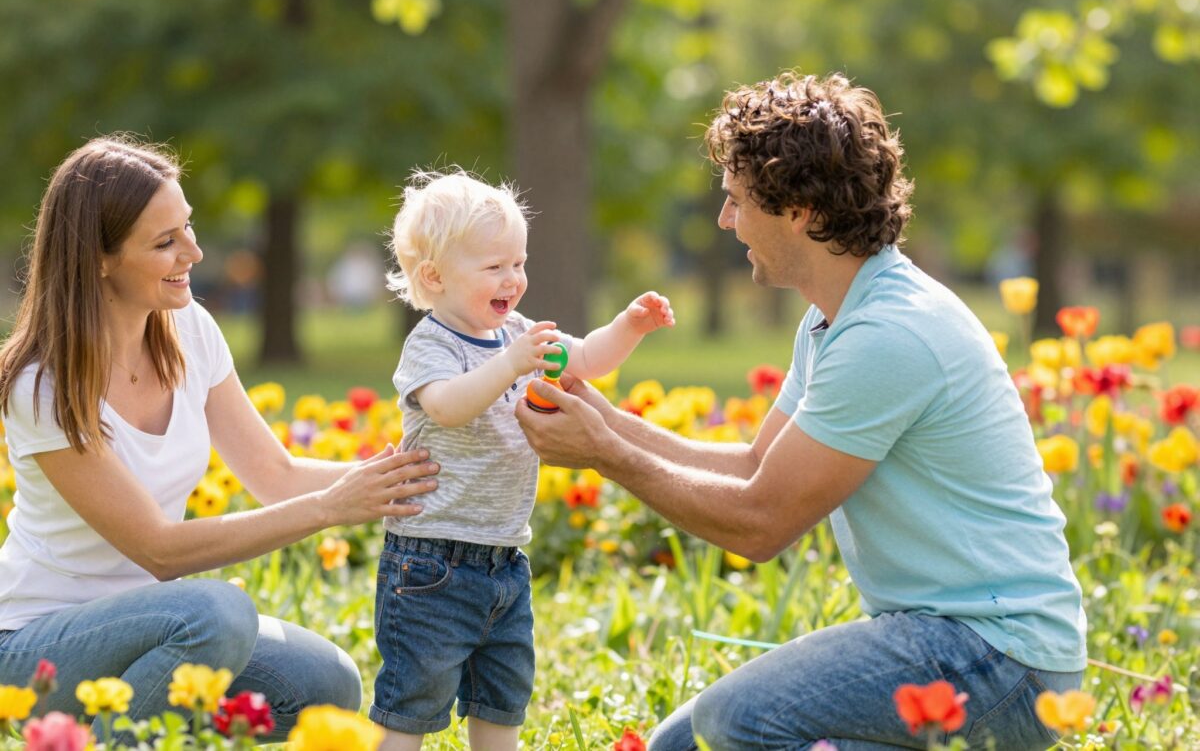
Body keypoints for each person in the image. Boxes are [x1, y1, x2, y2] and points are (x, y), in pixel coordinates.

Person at [516, 72, 1087, 750]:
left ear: (800, 211)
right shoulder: (836, 316)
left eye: (736, 202)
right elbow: (759, 465)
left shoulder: (889, 335)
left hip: (999, 660)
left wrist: (605, 455)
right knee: (681, 745)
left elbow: (761, 523)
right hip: (947, 641)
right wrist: (605, 420)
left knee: (733, 723)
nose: (726, 221)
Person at [0, 137, 440, 743]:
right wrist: (330, 508)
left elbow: (275, 476)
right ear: (98, 259)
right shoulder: (42, 383)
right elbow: (160, 551)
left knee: (326, 681)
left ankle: (131, 728)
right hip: (36, 649)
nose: (195, 252)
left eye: (188, 227)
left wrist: (407, 476)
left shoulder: (188, 329)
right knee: (217, 613)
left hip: (163, 627)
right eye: (165, 242)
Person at [374, 170, 674, 750]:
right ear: (434, 277)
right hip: (430, 563)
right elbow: (448, 407)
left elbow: (586, 357)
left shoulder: (516, 332)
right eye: (494, 267)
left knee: (504, 698)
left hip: (504, 562)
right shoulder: (431, 345)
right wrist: (510, 365)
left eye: (519, 261)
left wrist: (629, 326)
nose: (513, 277)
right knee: (412, 704)